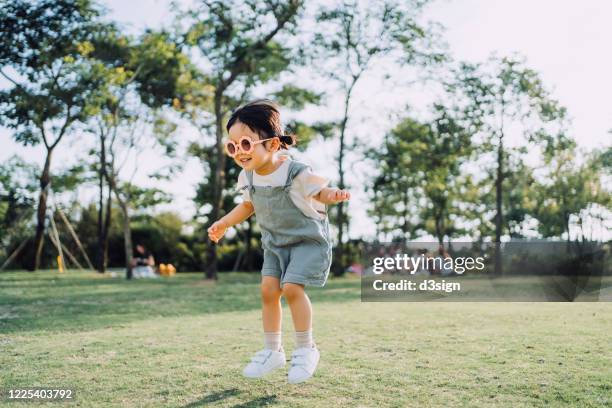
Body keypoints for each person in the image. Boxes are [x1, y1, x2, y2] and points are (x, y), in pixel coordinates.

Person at [207, 99, 350, 384]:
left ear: (272, 144)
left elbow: (318, 191)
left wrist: (331, 194)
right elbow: (248, 206)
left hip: (307, 242)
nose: (239, 152)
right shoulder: (247, 176)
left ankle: (306, 349)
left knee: (291, 287)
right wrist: (223, 222)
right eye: (233, 146)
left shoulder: (295, 171)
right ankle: (273, 351)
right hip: (274, 245)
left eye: (246, 144)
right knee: (268, 290)